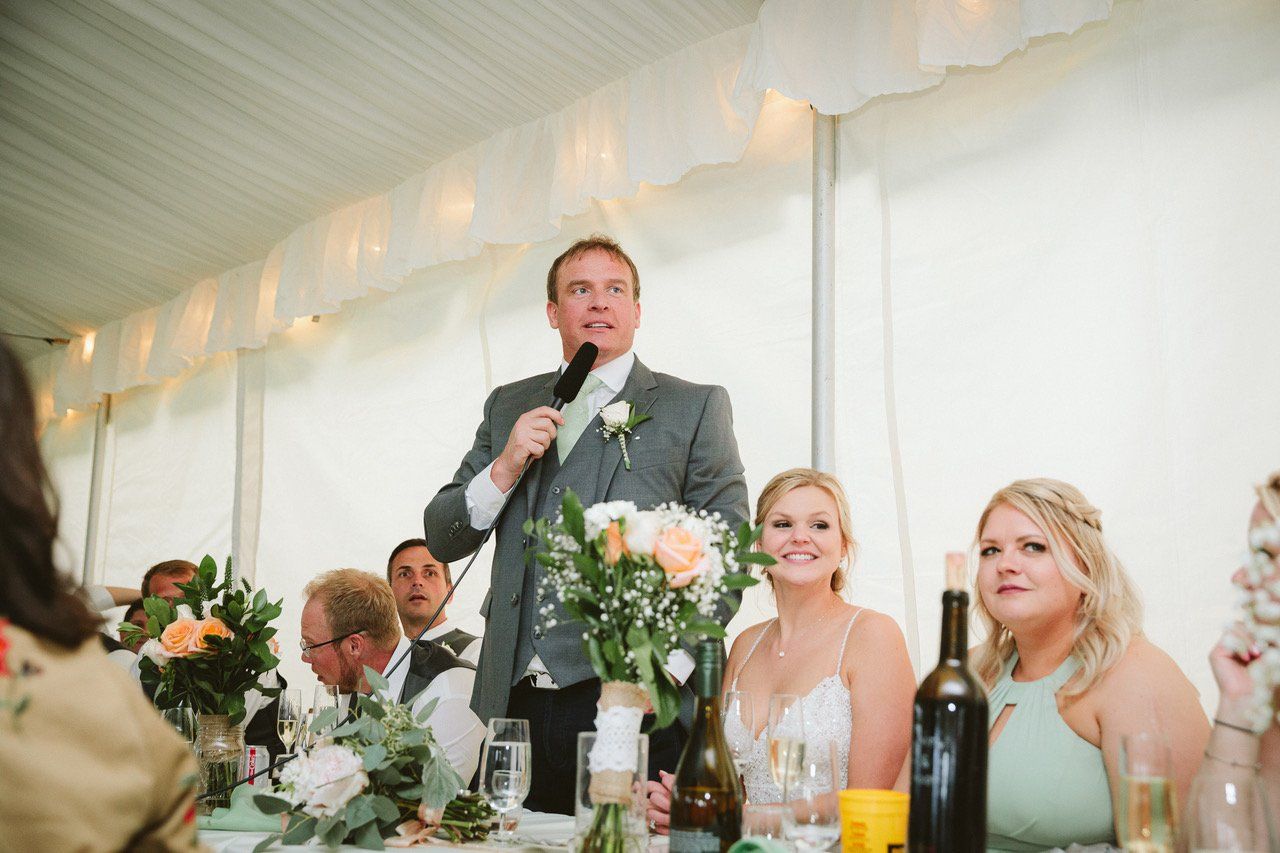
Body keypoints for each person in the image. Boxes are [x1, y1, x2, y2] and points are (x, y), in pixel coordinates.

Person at [423, 234, 749, 813]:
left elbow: (725, 549)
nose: (599, 303)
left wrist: (665, 669)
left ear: (636, 311)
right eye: (580, 290)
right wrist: (502, 469)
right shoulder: (507, 405)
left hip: (630, 701)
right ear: (554, 313)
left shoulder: (694, 406)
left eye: (614, 289)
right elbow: (443, 535)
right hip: (513, 702)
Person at [0, 337, 200, 850]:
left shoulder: (242, 659)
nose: (174, 613)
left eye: (185, 601)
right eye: (163, 603)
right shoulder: (91, 679)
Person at [645, 469, 915, 832]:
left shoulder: (873, 636)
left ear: (844, 547)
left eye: (819, 526)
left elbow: (871, 799)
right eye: (783, 524)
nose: (800, 537)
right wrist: (689, 801)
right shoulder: (745, 645)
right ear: (759, 544)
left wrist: (734, 818)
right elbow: (731, 789)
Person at [976, 478, 1209, 851]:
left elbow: (1174, 846)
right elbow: (903, 811)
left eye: (1033, 547)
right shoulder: (971, 671)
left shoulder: (1135, 674)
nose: (1005, 564)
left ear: (1085, 563)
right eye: (990, 551)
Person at [300, 568, 485, 781]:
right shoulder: (354, 685)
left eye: (311, 645)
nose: (305, 658)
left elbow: (432, 805)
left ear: (354, 646)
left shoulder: (449, 692)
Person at [1197, 469, 1280, 841]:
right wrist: (1236, 703)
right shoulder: (1268, 707)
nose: (1240, 578)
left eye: (1264, 555)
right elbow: (1219, 845)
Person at [134, 558, 286, 757]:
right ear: (149, 610)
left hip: (254, 774)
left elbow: (231, 724)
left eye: (185, 597)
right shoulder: (145, 659)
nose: (177, 608)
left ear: (202, 600)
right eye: (163, 602)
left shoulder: (241, 651)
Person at [387, 538, 480, 664]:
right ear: (388, 593)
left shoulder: (477, 652)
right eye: (405, 574)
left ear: (450, 592)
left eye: (430, 573)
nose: (417, 582)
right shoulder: (382, 660)